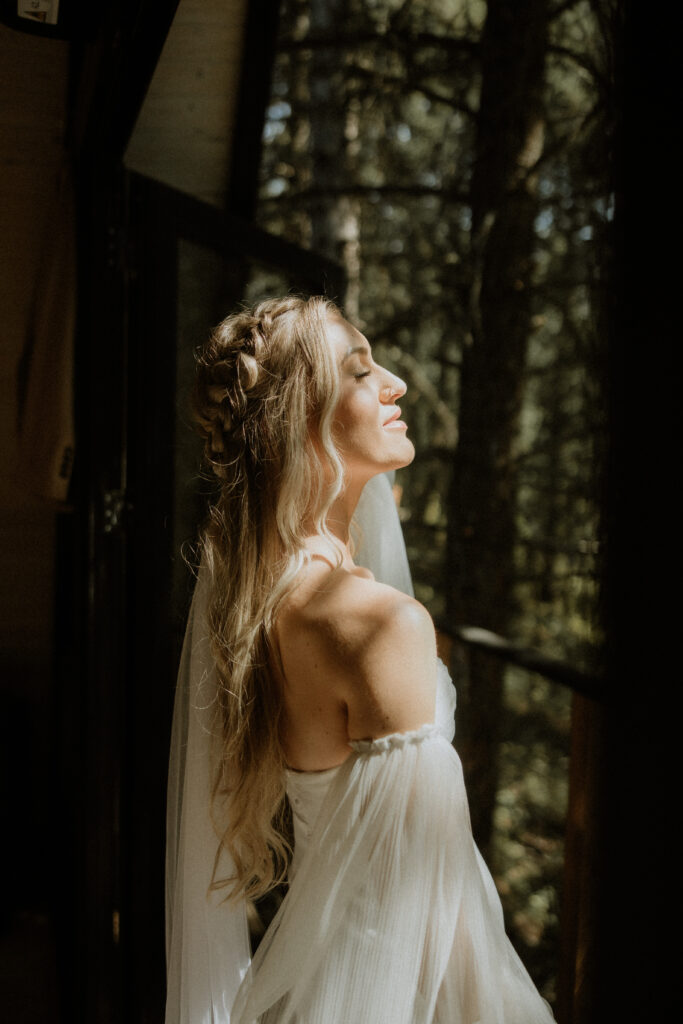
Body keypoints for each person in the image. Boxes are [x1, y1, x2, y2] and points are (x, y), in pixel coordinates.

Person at [165, 296, 555, 1023]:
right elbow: (432, 900)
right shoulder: (379, 625)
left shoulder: (267, 599)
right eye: (358, 369)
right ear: (298, 417)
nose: (394, 382)